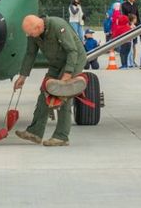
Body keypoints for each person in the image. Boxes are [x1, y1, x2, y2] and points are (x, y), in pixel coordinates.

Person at [13, 15, 87, 147]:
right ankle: (34, 132)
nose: (29, 35)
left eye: (30, 33)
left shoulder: (58, 26)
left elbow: (72, 51)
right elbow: (30, 54)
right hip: (56, 62)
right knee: (44, 94)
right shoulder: (34, 34)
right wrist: (22, 76)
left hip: (73, 61)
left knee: (63, 96)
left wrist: (67, 74)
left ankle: (61, 137)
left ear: (38, 27)